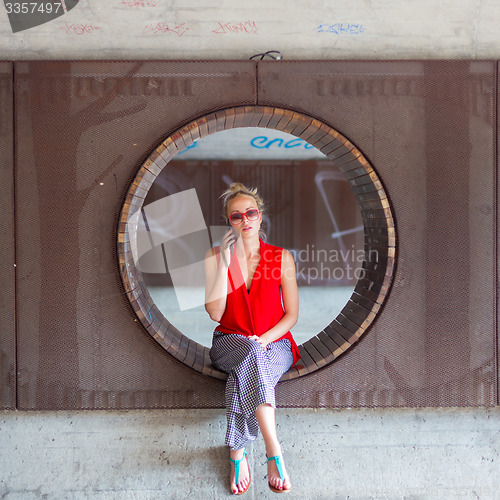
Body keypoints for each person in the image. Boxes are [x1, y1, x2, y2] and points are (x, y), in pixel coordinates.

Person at [204, 182, 300, 495]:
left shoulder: (280, 258)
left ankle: (237, 453)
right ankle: (274, 450)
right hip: (230, 341)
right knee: (248, 353)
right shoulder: (215, 256)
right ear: (228, 222)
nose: (244, 219)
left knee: (243, 372)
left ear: (260, 217)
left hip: (276, 343)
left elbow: (291, 316)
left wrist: (264, 338)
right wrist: (225, 262)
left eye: (250, 213)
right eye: (236, 216)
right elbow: (216, 314)